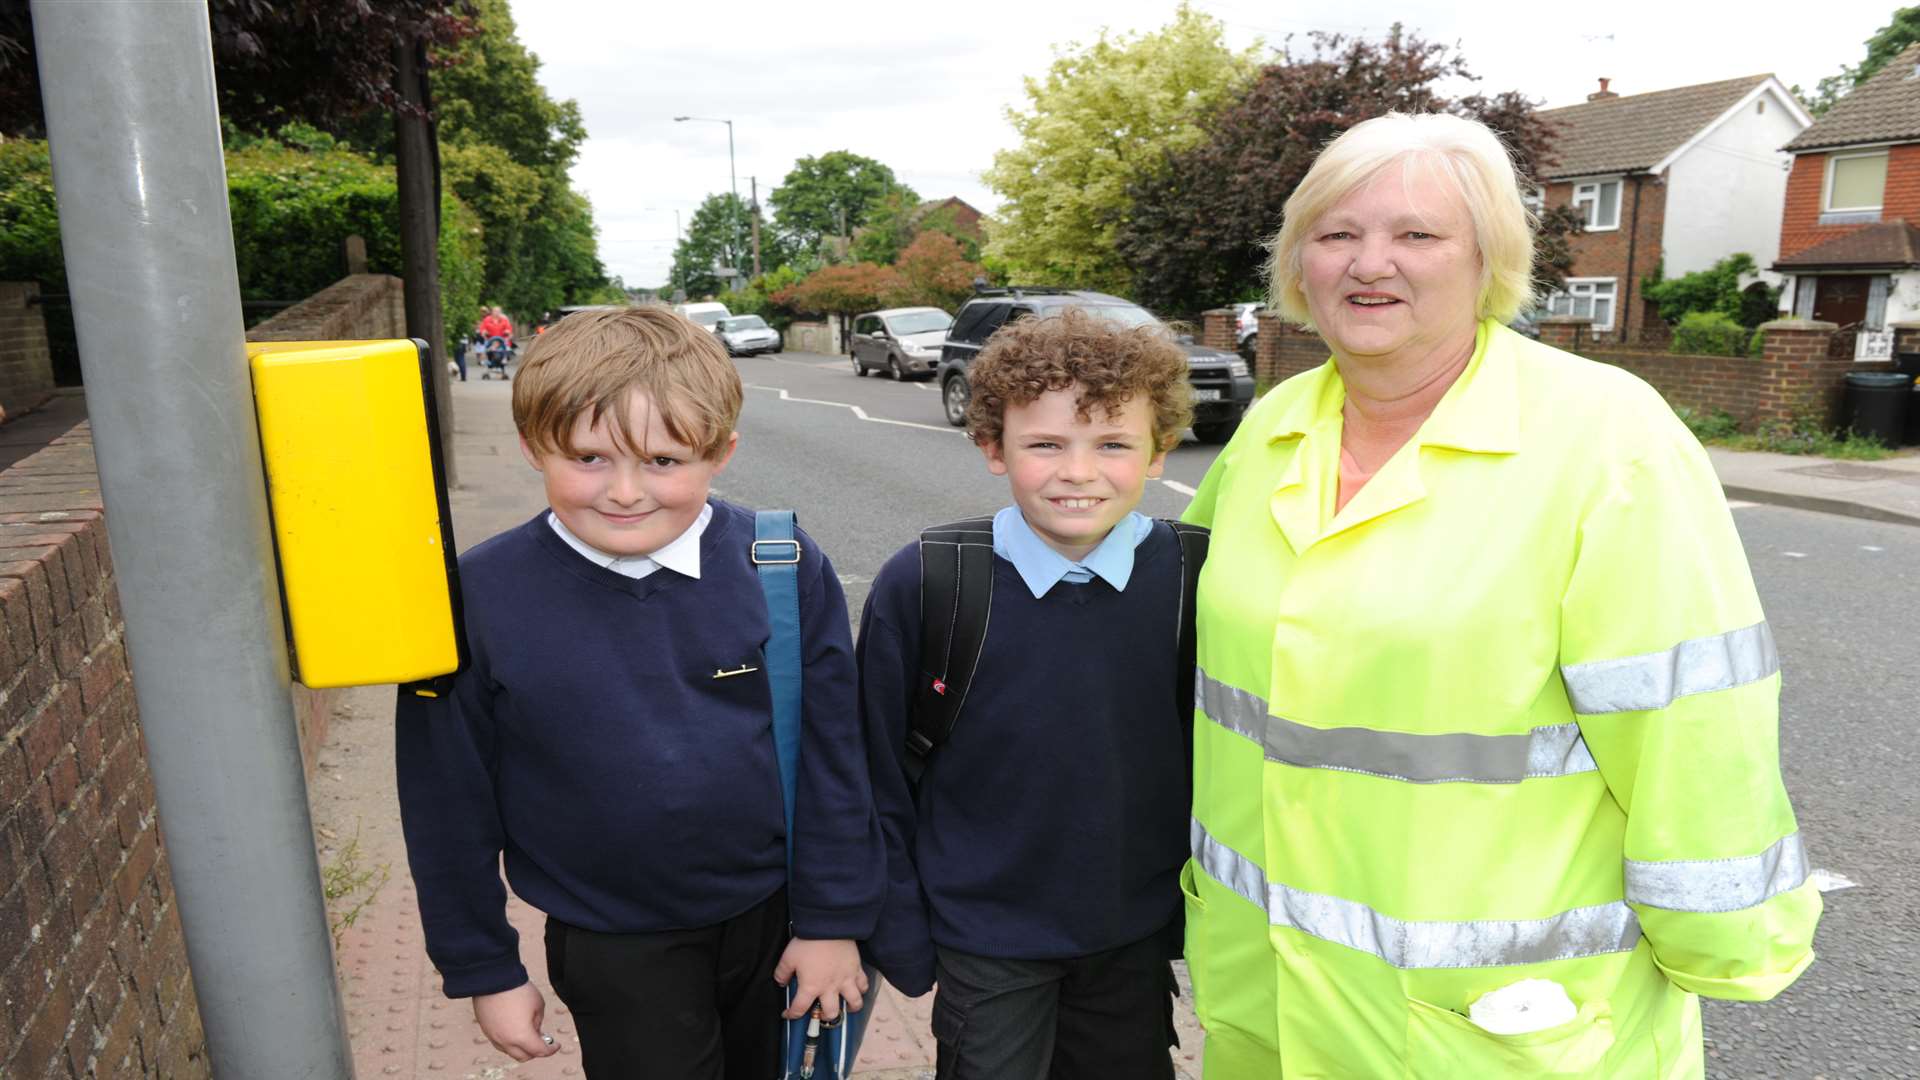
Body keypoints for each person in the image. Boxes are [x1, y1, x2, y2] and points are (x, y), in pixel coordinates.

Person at [1178, 112, 1821, 1077]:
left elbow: (1690, 718)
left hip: (1496, 1024)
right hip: (1268, 1004)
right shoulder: (1273, 428)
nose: (1370, 263)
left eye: (1418, 235)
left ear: (1489, 261)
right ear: (1297, 263)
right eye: (1337, 233)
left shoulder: (1605, 438)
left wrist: (1721, 938)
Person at [395, 306, 882, 1079]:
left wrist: (833, 922)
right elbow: (444, 797)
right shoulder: (472, 599)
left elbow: (837, 759)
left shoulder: (781, 566)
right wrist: (484, 965)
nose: (624, 492)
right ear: (532, 445)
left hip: (774, 920)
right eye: (588, 458)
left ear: (720, 452)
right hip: (610, 937)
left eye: (663, 460)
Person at [861, 309, 1198, 1079]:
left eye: (1113, 444)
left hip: (1134, 934)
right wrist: (899, 928)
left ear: (1159, 452)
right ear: (991, 447)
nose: (1078, 472)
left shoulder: (1193, 578)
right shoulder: (929, 581)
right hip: (986, 937)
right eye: (1044, 444)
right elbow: (872, 769)